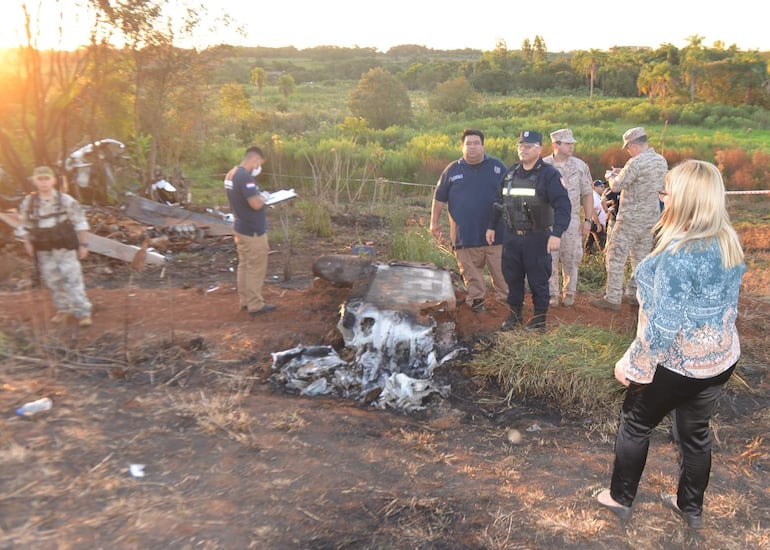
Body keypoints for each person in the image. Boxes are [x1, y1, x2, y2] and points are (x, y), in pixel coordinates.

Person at [595, 160, 745, 530]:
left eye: (667, 190)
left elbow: (661, 328)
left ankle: (620, 499)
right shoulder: (728, 241)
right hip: (719, 361)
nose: (662, 195)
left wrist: (633, 366)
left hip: (677, 367)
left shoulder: (679, 256)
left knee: (635, 423)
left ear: (687, 199)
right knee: (695, 435)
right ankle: (689, 509)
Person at [487, 130, 571, 331]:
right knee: (512, 278)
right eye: (520, 146)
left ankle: (539, 320)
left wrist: (557, 233)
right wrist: (491, 226)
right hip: (511, 237)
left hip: (537, 237)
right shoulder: (511, 173)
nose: (522, 150)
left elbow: (563, 206)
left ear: (539, 149)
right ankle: (514, 315)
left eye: (528, 146)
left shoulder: (549, 175)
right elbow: (498, 201)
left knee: (538, 280)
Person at [430, 129, 508, 312]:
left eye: (476, 143)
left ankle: (507, 306)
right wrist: (434, 222)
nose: (472, 147)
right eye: (468, 144)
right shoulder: (452, 170)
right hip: (465, 234)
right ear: (462, 146)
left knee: (502, 273)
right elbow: (439, 197)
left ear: (483, 145)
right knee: (471, 273)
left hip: (496, 233)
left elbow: (510, 197)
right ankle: (477, 302)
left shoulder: (497, 168)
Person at [591, 127, 668, 311]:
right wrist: (623, 171)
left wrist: (611, 175)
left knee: (615, 256)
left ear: (633, 145)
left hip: (630, 218)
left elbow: (616, 186)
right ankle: (635, 294)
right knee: (640, 259)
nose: (627, 151)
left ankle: (612, 298)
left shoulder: (635, 162)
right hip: (650, 218)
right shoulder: (660, 161)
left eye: (628, 148)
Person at [18, 166, 93, 327]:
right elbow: (24, 224)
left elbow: (80, 223)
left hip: (64, 248)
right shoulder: (29, 202)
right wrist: (27, 243)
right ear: (35, 181)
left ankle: (83, 312)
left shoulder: (66, 200)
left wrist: (84, 244)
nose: (44, 183)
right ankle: (63, 309)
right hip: (44, 249)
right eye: (40, 179)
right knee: (53, 280)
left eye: (47, 179)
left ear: (53, 180)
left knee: (72, 279)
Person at [542, 129, 597, 307]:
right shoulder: (543, 166)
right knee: (550, 258)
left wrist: (588, 220)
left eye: (572, 143)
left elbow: (588, 194)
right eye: (567, 143)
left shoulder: (580, 166)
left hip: (572, 221)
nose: (571, 146)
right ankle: (552, 294)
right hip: (549, 221)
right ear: (555, 145)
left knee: (571, 258)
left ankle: (569, 293)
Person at [224, 146, 277, 318]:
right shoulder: (245, 177)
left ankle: (245, 301)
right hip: (253, 230)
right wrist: (264, 198)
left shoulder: (231, 174)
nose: (258, 167)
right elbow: (255, 203)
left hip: (240, 227)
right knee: (256, 267)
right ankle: (255, 304)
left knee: (245, 265)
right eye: (259, 163)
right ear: (254, 160)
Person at [585, 179, 608, 254]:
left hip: (595, 223)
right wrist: (598, 224)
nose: (603, 188)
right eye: (600, 186)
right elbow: (592, 210)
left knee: (590, 242)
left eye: (603, 186)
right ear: (594, 187)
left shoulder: (598, 196)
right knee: (602, 243)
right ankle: (604, 259)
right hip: (596, 224)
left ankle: (587, 256)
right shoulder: (594, 196)